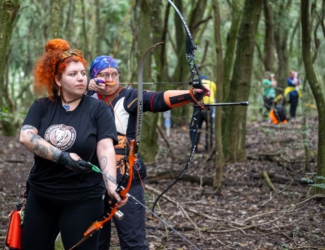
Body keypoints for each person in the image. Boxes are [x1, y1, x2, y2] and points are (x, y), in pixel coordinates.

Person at [86, 55, 210, 250]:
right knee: (94, 242)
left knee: (133, 243)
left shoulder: (129, 96)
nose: (110, 79)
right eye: (103, 75)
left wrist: (191, 94)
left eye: (114, 74)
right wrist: (86, 87)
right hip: (91, 180)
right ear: (93, 77)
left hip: (125, 179)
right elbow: (61, 93)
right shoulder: (83, 99)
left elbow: (156, 99)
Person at [19, 39, 126, 250]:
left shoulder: (99, 109)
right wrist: (64, 157)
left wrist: (111, 185)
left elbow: (105, 147)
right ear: (58, 80)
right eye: (73, 74)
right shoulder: (42, 106)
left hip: (84, 199)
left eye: (83, 73)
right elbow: (26, 137)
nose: (80, 78)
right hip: (42, 196)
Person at [189, 75, 216, 151]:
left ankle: (194, 147)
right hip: (209, 108)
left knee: (195, 127)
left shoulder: (196, 85)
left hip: (198, 107)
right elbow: (214, 94)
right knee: (209, 128)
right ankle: (209, 147)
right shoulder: (212, 83)